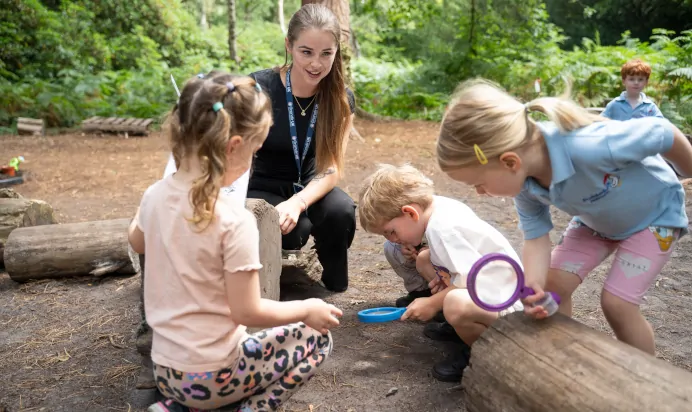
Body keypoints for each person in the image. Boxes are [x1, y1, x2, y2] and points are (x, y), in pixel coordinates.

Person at [127, 71, 342, 412]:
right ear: (234, 147)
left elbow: (137, 242)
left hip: (165, 370)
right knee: (317, 339)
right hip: (213, 374)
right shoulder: (234, 220)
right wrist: (307, 308)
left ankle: (177, 407)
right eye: (255, 151)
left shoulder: (154, 196)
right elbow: (248, 310)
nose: (253, 162)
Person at [435, 78, 692, 355]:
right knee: (551, 285)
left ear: (510, 162)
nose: (480, 192)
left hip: (654, 218)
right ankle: (560, 357)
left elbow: (663, 132)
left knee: (617, 304)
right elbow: (535, 238)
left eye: (479, 183)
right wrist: (534, 284)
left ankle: (646, 381)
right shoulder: (525, 184)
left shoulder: (589, 145)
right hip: (595, 221)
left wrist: (688, 169)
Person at [358, 164, 523, 382]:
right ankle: (459, 327)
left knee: (456, 304)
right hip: (493, 292)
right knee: (425, 260)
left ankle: (484, 354)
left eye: (391, 231)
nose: (392, 240)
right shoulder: (440, 207)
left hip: (510, 310)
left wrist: (433, 303)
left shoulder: (443, 229)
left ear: (410, 212)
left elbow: (474, 282)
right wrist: (442, 278)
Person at [248, 4, 356, 293]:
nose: (316, 64)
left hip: (310, 186)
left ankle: (331, 283)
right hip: (261, 185)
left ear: (336, 51)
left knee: (341, 210)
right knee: (292, 228)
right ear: (289, 45)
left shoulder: (341, 99)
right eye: (306, 52)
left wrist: (299, 203)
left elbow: (331, 168)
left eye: (326, 53)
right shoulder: (258, 88)